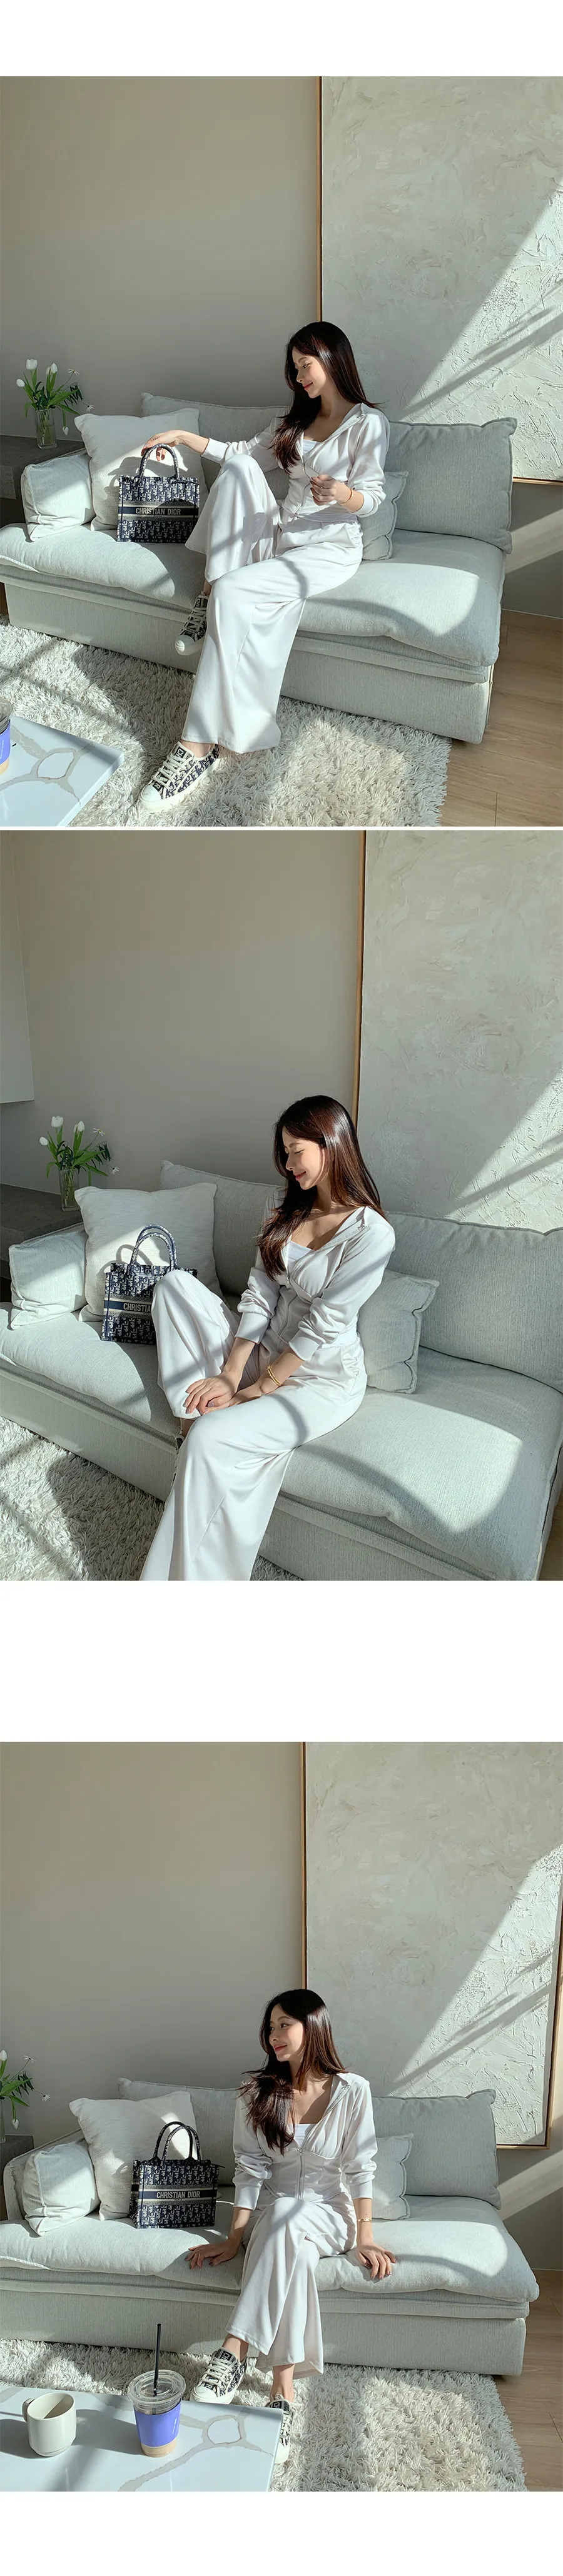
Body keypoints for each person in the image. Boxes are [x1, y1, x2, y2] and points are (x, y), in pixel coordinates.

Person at [140, 1094, 395, 1581]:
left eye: (297, 1151)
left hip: (318, 1379)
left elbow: (325, 1324)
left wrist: (257, 1390)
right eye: (285, 1151)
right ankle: (193, 1416)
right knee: (172, 1286)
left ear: (332, 1143)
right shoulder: (283, 1205)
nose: (289, 1164)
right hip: (262, 1350)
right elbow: (259, 1293)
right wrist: (231, 1373)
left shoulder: (373, 1234)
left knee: (212, 1439)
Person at [139, 321, 390, 812]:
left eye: (305, 365)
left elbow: (373, 498)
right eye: (294, 369)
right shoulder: (294, 421)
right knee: (238, 469)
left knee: (235, 593)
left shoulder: (368, 424)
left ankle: (197, 745)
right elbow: (238, 455)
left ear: (333, 358)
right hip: (281, 532)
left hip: (328, 548)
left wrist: (342, 492)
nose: (299, 377)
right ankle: (210, 589)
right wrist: (185, 437)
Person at [188, 1987, 396, 2463]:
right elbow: (250, 2169)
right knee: (294, 2252)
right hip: (273, 2213)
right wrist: (235, 2237)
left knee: (290, 2218)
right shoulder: (255, 2090)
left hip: (330, 2213)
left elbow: (361, 2167)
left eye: (285, 2024)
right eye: (270, 2026)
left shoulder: (352, 2090)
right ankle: (282, 2397)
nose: (274, 2034)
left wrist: (365, 2236)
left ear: (314, 2026)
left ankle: (234, 2350)